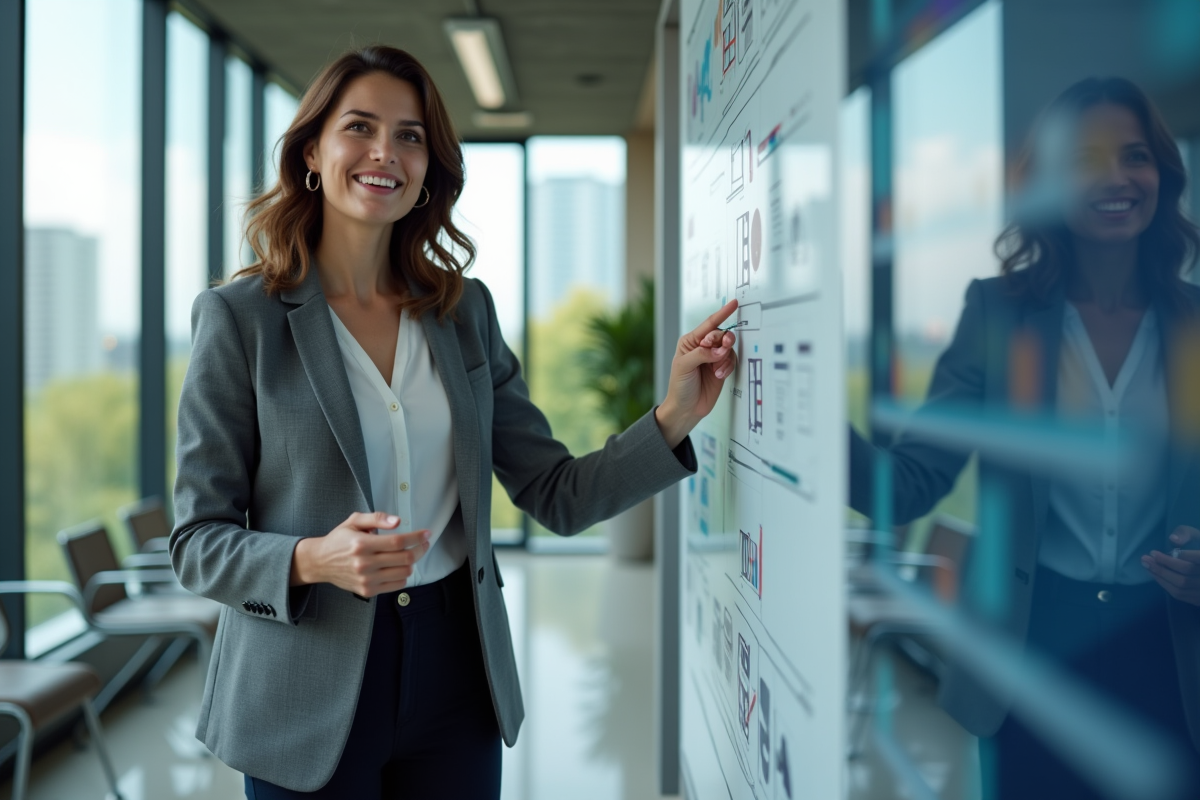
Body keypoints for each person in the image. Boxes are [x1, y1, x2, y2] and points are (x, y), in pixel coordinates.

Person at [169, 45, 739, 799]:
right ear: (312, 150)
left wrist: (673, 414)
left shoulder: (464, 311)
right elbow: (195, 542)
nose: (385, 153)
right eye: (360, 128)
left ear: (429, 168)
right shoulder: (241, 319)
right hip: (302, 682)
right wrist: (314, 558)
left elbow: (556, 493)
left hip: (456, 672)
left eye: (410, 136)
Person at [848, 76, 1200, 798]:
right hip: (1031, 647)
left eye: (1134, 156)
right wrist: (807, 419)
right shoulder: (997, 314)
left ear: (1161, 175)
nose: (1115, 177)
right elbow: (913, 482)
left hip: (1171, 648)